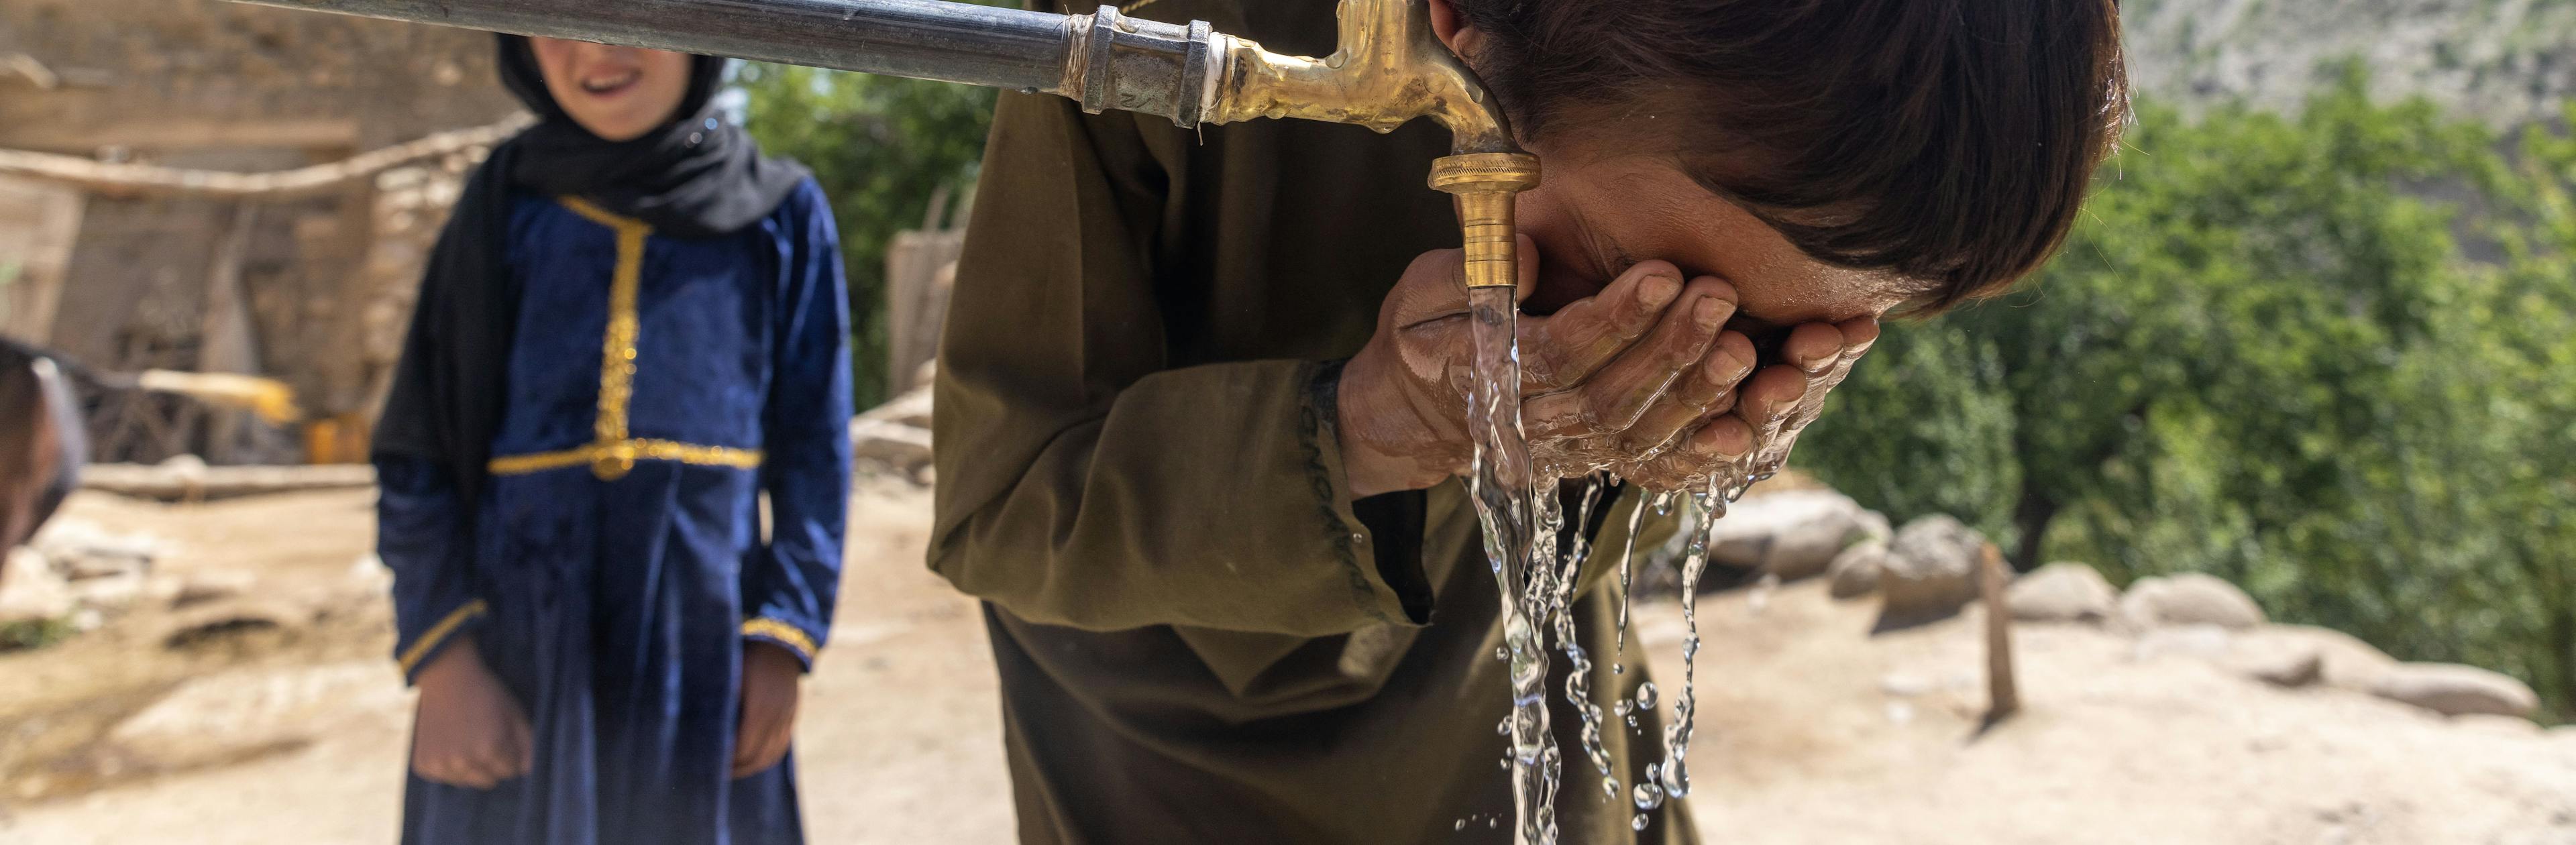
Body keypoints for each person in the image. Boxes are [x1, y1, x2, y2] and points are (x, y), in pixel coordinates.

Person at [930, 0, 2127, 842]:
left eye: (1776, 338)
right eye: (1637, 274)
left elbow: (1608, 542)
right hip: (1186, 774)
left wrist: (1687, 439)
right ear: (1463, 25)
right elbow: (1002, 504)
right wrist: (1369, 426)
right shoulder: (1154, 41)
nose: (1709, 358)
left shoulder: (1772, 134)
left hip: (1555, 760)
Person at [372, 34, 851, 845]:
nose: (596, 48)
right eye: (558, 14)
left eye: (636, 13)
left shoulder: (780, 213)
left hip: (701, 649)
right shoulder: (503, 205)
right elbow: (421, 446)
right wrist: (445, 660)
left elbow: (816, 457)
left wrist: (783, 642)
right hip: (519, 650)